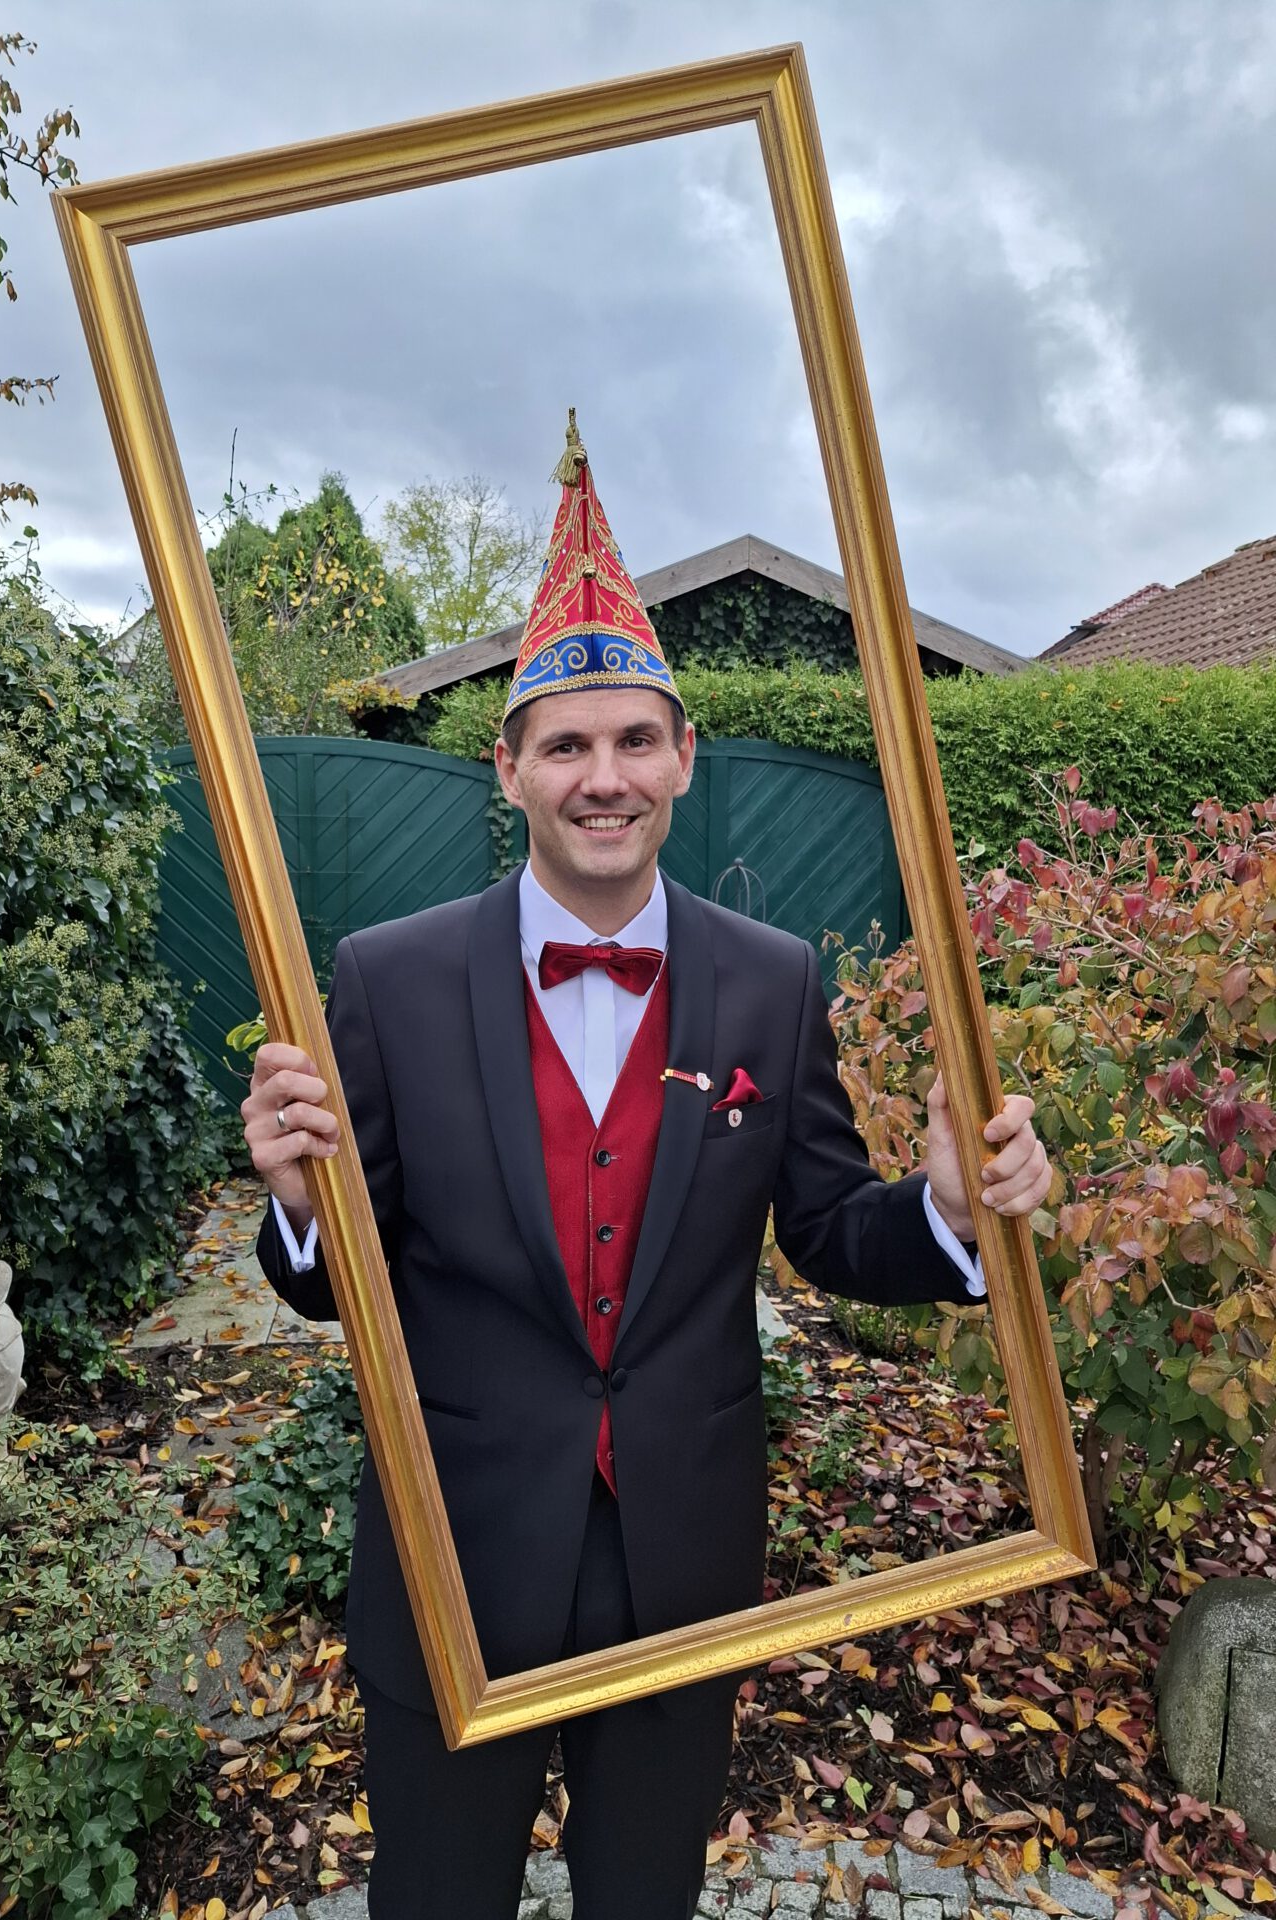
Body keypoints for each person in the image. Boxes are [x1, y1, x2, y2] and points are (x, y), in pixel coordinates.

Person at [243, 413, 1049, 1920]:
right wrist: (301, 1211)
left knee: (645, 1901)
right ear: (509, 769)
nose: (601, 777)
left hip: (680, 1553)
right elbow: (340, 1277)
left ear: (683, 755)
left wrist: (947, 1208)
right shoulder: (387, 980)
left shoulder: (773, 981)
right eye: (566, 745)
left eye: (632, 741)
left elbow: (826, 1229)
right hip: (455, 1551)